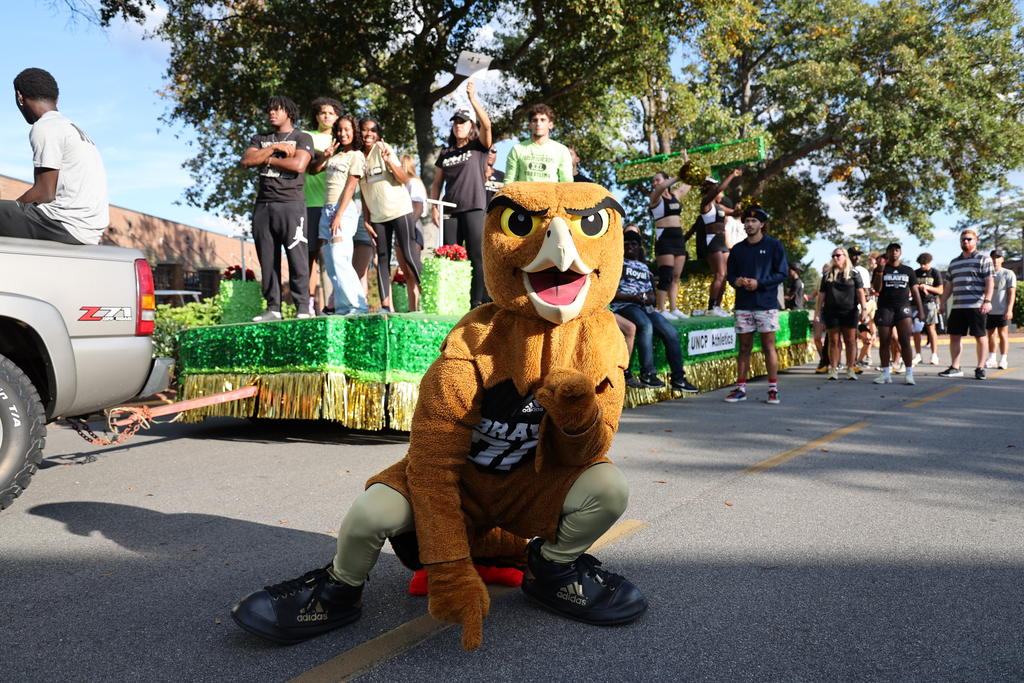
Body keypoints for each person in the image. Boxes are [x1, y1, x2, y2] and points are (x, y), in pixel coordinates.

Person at [0, 68, 108, 245]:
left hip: (65, 224)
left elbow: (44, 193)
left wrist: (14, 209)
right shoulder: (71, 129)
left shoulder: (45, 126)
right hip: (88, 230)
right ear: (56, 98)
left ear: (20, 97)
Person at [240, 96, 314, 321]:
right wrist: (273, 148)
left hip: (291, 205)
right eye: (269, 110)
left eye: (277, 110)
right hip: (263, 206)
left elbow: (299, 165)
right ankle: (273, 308)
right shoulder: (261, 138)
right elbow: (247, 161)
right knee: (267, 259)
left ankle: (302, 307)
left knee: (297, 257)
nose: (271, 113)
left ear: (289, 112)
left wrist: (268, 159)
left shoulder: (302, 137)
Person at [610, 231, 698, 392]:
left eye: (634, 244)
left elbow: (652, 294)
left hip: (644, 307)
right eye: (626, 244)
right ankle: (648, 373)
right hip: (624, 306)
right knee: (645, 324)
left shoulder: (644, 268)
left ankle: (678, 378)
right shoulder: (617, 264)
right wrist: (633, 297)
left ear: (639, 247)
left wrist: (648, 298)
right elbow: (610, 293)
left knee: (671, 332)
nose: (630, 247)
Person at [430, 81, 492, 307]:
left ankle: (477, 303)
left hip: (475, 207)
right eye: (455, 122)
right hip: (450, 211)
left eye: (463, 122)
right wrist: (434, 207)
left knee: (477, 257)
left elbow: (487, 126)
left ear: (470, 125)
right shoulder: (445, 153)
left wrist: (473, 99)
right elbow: (437, 183)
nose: (458, 126)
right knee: (451, 258)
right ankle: (451, 301)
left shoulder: (478, 147)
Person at [723, 207, 788, 404]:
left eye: (754, 221)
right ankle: (740, 388)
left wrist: (759, 283)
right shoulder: (737, 249)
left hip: (766, 305)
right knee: (743, 348)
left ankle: (773, 389)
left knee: (769, 347)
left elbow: (781, 273)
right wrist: (738, 282)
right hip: (743, 304)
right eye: (747, 222)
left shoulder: (774, 245)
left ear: (762, 224)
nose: (749, 225)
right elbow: (730, 276)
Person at [358, 116, 421, 312]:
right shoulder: (358, 156)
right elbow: (363, 192)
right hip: (377, 217)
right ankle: (386, 305)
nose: (368, 134)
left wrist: (389, 162)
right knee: (382, 259)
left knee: (409, 256)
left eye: (372, 130)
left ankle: (424, 297)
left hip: (399, 210)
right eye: (364, 130)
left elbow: (404, 179)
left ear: (378, 134)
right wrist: (366, 220)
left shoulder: (384, 149)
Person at [307, 115, 367, 315]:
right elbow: (314, 170)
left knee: (340, 257)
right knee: (330, 262)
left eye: (347, 129)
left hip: (343, 210)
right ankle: (342, 307)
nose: (342, 133)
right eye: (339, 130)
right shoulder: (336, 155)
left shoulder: (356, 155)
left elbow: (351, 186)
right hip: (327, 210)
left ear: (354, 131)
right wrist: (325, 155)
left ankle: (358, 305)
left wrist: (339, 215)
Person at [303, 97, 342, 315]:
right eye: (323, 112)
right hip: (310, 203)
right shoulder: (307, 137)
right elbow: (309, 167)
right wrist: (322, 157)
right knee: (310, 257)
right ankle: (308, 305)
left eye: (331, 113)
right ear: (317, 116)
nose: (326, 116)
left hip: (334, 205)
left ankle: (332, 304)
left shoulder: (343, 139)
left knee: (333, 257)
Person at [939, 229, 995, 380]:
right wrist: (943, 302)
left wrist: (987, 301)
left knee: (980, 336)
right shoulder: (954, 263)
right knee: (955, 336)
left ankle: (980, 368)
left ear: (976, 241)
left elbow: (990, 282)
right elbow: (949, 285)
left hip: (976, 305)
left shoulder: (984, 259)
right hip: (957, 306)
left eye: (969, 239)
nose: (966, 242)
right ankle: (955, 367)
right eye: (963, 239)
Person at [871, 243, 925, 385]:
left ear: (900, 252)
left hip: (903, 308)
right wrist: (880, 271)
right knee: (884, 341)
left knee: (905, 340)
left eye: (897, 250)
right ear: (887, 253)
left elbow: (915, 291)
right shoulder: (880, 269)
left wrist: (920, 310)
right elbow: (877, 289)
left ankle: (908, 373)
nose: (894, 252)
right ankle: (885, 374)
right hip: (885, 308)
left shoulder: (908, 270)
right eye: (891, 250)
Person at [814, 247, 868, 380]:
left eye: (838, 255)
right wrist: (817, 312)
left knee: (850, 340)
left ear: (845, 256)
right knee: (834, 340)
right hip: (831, 312)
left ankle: (850, 368)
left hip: (850, 312)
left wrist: (864, 309)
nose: (836, 258)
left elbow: (860, 292)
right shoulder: (827, 275)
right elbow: (821, 295)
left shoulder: (854, 273)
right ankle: (833, 369)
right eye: (833, 256)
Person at [694, 169, 742, 317]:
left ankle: (718, 306)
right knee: (719, 274)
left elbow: (734, 213)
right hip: (712, 241)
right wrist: (732, 175)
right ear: (711, 189)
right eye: (716, 188)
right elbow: (720, 188)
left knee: (726, 275)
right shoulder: (706, 204)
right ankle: (711, 306)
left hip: (722, 242)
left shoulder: (719, 207)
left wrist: (741, 208)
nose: (720, 192)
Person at [647, 170, 692, 320]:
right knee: (666, 275)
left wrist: (687, 164)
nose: (655, 183)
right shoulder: (655, 197)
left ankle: (674, 308)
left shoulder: (675, 195)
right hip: (664, 237)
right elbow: (660, 188)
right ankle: (661, 309)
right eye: (653, 181)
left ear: (666, 180)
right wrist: (678, 176)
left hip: (678, 238)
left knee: (676, 276)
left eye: (657, 180)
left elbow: (688, 184)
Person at [504, 103, 573, 183]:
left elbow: (567, 184)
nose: (538, 124)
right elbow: (509, 182)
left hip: (551, 195)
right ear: (529, 125)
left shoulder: (562, 150)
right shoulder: (517, 149)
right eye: (534, 120)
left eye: (543, 120)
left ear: (550, 125)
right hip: (523, 195)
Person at [985, 249, 1016, 370]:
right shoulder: (987, 273)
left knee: (1003, 335)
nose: (995, 260)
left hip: (1002, 310)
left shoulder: (1008, 273)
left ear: (1002, 259)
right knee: (991, 335)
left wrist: (1009, 309)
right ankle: (992, 358)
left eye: (998, 257)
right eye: (993, 257)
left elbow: (1011, 293)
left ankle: (1003, 359)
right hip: (989, 310)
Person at [913, 252, 944, 365]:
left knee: (931, 329)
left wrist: (927, 287)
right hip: (916, 304)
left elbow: (940, 290)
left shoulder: (934, 272)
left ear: (929, 262)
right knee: (916, 330)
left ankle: (934, 355)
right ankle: (918, 355)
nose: (922, 266)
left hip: (929, 303)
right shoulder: (915, 273)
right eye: (920, 264)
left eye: (924, 264)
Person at [401, 154, 428, 264]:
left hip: (413, 225)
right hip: (403, 225)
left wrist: (409, 227)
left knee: (412, 265)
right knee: (405, 269)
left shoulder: (413, 183)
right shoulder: (403, 185)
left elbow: (418, 208)